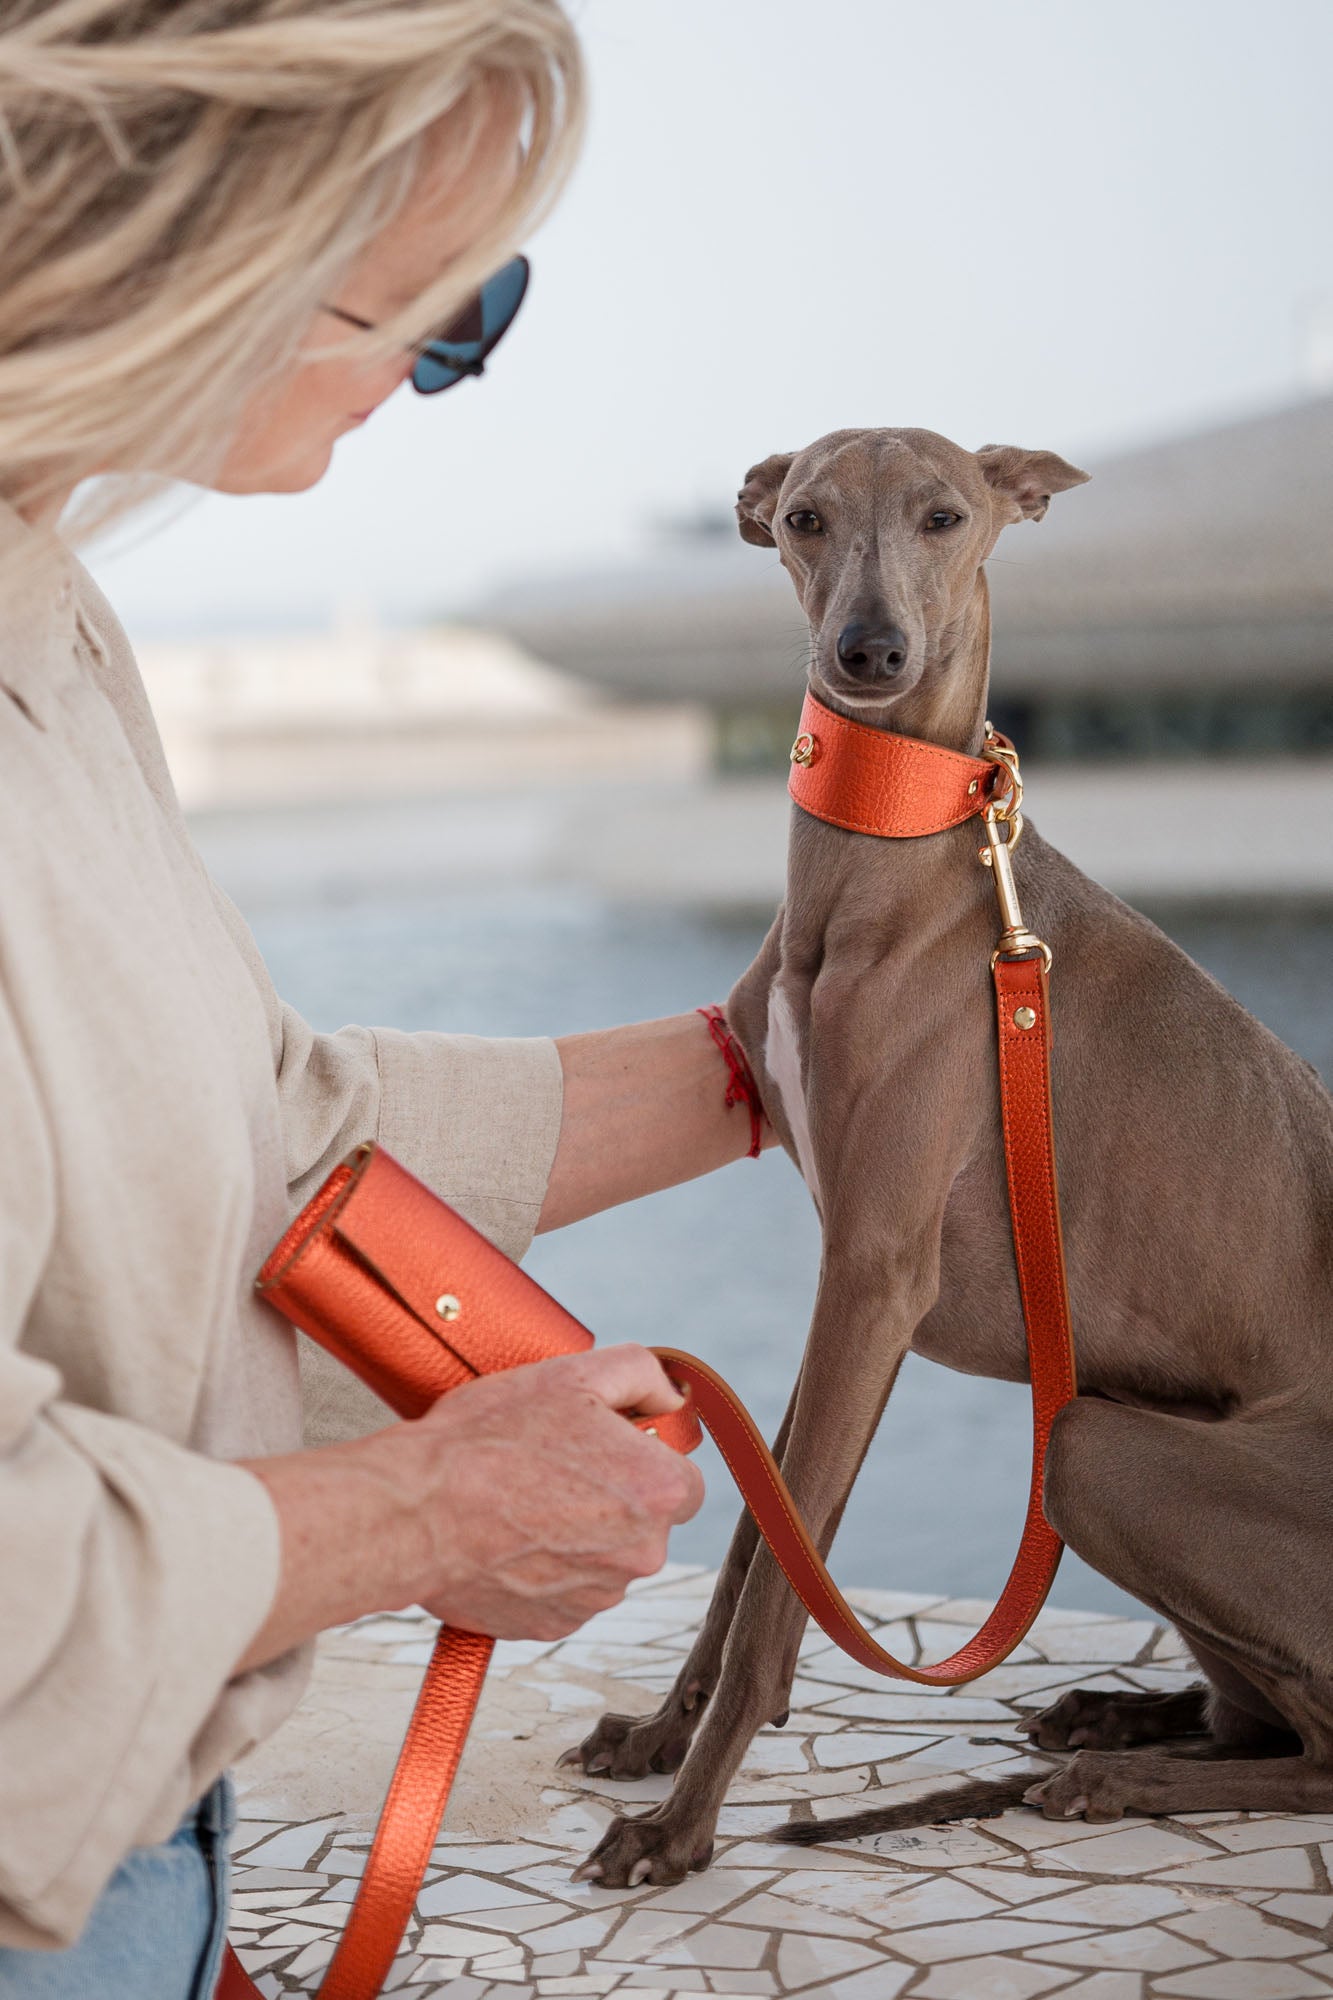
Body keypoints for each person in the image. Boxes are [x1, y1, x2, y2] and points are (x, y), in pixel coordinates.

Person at [0, 5, 772, 1991]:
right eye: (432, 307)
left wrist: (762, 1072)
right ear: (204, 240)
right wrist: (422, 1513)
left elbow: (260, 1132)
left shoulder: (42, 602)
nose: (454, 369)